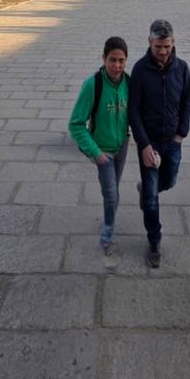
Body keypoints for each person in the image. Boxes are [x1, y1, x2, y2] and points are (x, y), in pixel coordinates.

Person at [129, 19, 190, 268]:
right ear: (149, 43)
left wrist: (181, 134)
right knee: (153, 199)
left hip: (173, 140)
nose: (163, 52)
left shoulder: (182, 68)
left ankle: (145, 189)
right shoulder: (140, 70)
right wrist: (144, 145)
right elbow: (133, 111)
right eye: (158, 47)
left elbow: (186, 101)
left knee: (169, 181)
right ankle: (154, 240)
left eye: (167, 46)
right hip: (150, 143)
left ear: (173, 43)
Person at [69, 37, 129, 255]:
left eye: (121, 60)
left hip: (122, 147)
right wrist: (95, 153)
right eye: (112, 60)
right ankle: (107, 233)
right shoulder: (93, 84)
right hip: (102, 150)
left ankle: (109, 216)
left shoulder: (129, 83)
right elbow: (76, 124)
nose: (117, 66)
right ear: (103, 58)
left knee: (114, 190)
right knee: (111, 194)